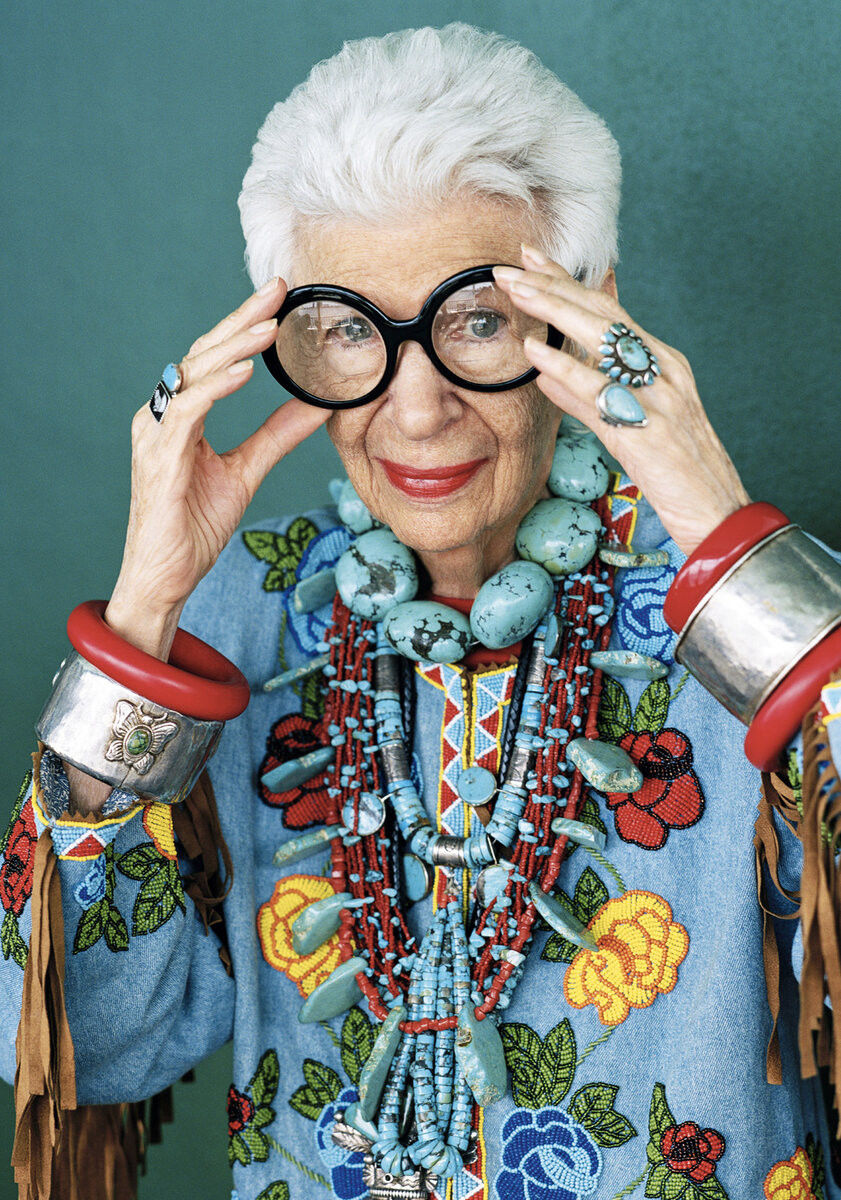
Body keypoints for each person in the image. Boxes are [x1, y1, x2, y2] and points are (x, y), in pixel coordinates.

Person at [3, 22, 841, 1200]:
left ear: (587, 310)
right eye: (350, 331)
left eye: (477, 319)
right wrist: (141, 619)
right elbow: (85, 1047)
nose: (415, 407)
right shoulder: (240, 618)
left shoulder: (762, 621)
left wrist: (720, 532)